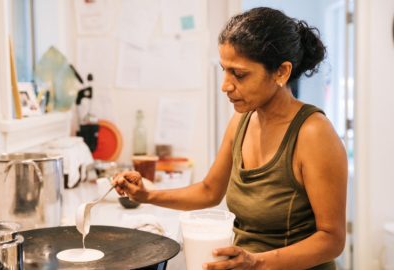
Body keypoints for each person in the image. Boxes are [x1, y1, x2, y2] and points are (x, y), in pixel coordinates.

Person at [112, 7, 347, 270]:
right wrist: (147, 195)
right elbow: (209, 191)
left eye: (239, 74)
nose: (225, 85)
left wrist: (256, 262)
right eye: (225, 70)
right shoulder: (243, 120)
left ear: (281, 72)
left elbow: (332, 240)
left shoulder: (313, 133)